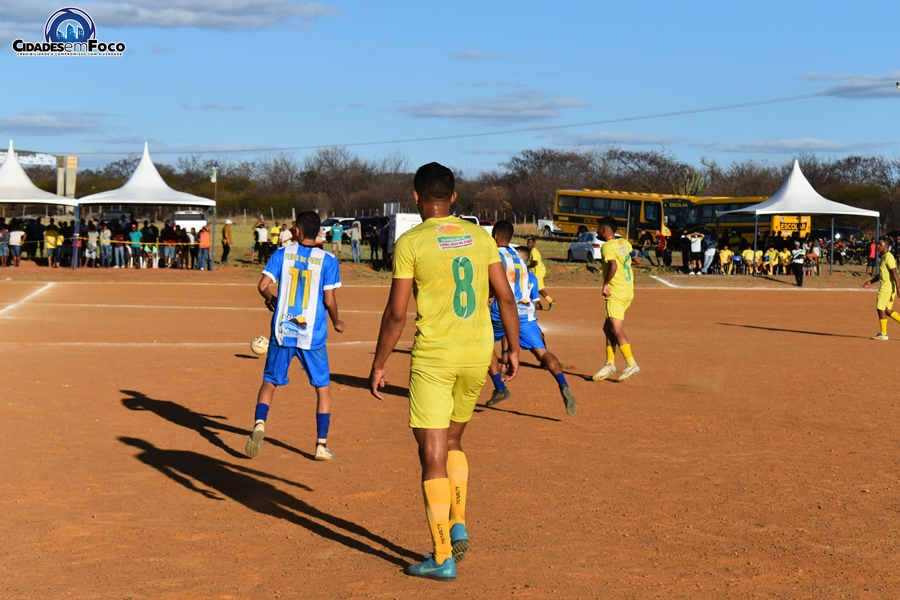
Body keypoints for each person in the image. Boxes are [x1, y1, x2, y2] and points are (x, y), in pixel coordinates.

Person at [368, 162, 520, 582]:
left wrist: (379, 363)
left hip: (436, 358)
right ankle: (457, 523)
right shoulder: (481, 236)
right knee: (453, 441)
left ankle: (441, 556)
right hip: (477, 355)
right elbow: (506, 297)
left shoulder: (411, 242)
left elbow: (397, 313)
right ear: (453, 197)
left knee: (432, 454)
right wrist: (512, 348)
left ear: (415, 197)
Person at [245, 211, 345, 461]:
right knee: (322, 388)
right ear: (319, 232)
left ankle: (259, 423)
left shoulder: (282, 253)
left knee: (270, 381)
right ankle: (321, 445)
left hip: (283, 330)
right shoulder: (329, 260)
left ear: (296, 232)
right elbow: (329, 300)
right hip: (312, 334)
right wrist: (336, 321)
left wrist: (271, 299)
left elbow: (262, 286)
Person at [484, 223, 576, 416]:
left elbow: (494, 284)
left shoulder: (494, 255)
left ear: (495, 236)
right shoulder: (519, 256)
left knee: (482, 345)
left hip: (503, 309)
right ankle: (563, 383)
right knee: (542, 353)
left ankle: (500, 387)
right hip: (525, 311)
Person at [592, 216, 639, 382]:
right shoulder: (624, 243)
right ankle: (609, 364)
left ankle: (631, 363)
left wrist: (606, 284)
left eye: (598, 229)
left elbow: (613, 265)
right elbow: (636, 259)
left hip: (616, 293)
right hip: (627, 290)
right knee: (608, 328)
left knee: (617, 329)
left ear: (604, 230)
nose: (597, 231)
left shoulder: (607, 247)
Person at [864, 237, 900, 341]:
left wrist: (899, 289)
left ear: (886, 246)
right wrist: (871, 281)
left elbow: (895, 273)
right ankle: (884, 333)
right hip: (888, 287)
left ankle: (884, 334)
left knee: (880, 309)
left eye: (880, 244)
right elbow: (882, 274)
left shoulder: (888, 257)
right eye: (878, 244)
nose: (878, 246)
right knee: (887, 310)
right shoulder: (883, 257)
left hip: (887, 288)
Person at [526, 237, 554, 309]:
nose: (528, 244)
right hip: (537, 271)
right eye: (528, 242)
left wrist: (528, 266)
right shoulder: (532, 251)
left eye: (530, 243)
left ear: (534, 244)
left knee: (538, 289)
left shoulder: (534, 251)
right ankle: (538, 305)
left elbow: (535, 262)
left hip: (539, 272)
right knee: (535, 288)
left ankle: (551, 301)